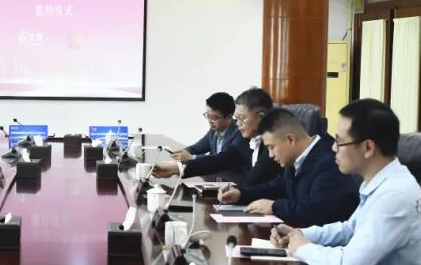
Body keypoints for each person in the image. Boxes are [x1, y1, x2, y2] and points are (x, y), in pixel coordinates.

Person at [272, 99, 421, 265]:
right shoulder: (380, 181)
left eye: (339, 141)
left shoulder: (394, 194)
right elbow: (350, 230)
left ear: (368, 148)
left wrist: (303, 248)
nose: (333, 148)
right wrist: (300, 234)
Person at [218, 107, 357, 227]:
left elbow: (315, 212)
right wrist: (240, 194)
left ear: (290, 139)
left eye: (271, 147)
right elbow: (275, 187)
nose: (271, 155)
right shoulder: (297, 160)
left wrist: (274, 207)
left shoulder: (329, 162)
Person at [153, 88, 281, 187]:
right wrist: (177, 168)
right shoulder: (246, 141)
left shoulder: (275, 147)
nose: (238, 123)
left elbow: (256, 184)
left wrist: (239, 194)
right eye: (237, 118)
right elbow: (220, 160)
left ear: (261, 117)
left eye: (242, 118)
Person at [169, 92, 239, 162]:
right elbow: (198, 148)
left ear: (229, 117)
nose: (210, 121)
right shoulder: (214, 130)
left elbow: (223, 159)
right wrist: (183, 152)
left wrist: (192, 157)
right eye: (208, 116)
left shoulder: (239, 133)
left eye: (214, 118)